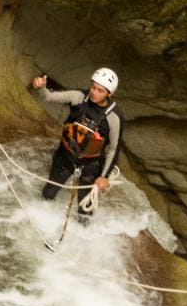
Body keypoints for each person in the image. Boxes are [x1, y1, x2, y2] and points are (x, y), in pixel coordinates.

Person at [30, 67, 124, 215]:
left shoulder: (114, 117)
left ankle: (84, 229)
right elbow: (48, 97)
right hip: (65, 156)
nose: (94, 92)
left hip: (91, 165)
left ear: (109, 93)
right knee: (48, 193)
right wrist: (41, 87)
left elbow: (114, 148)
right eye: (93, 87)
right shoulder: (78, 97)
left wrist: (104, 177)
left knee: (85, 209)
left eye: (100, 90)